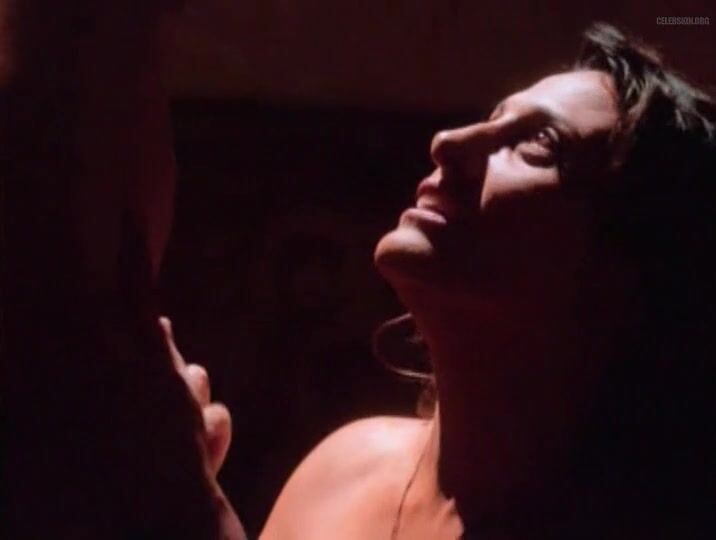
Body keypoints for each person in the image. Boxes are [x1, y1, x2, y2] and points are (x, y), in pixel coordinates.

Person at [254, 23, 715, 539]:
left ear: (624, 275)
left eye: (539, 143)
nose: (448, 143)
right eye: (494, 120)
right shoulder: (343, 466)